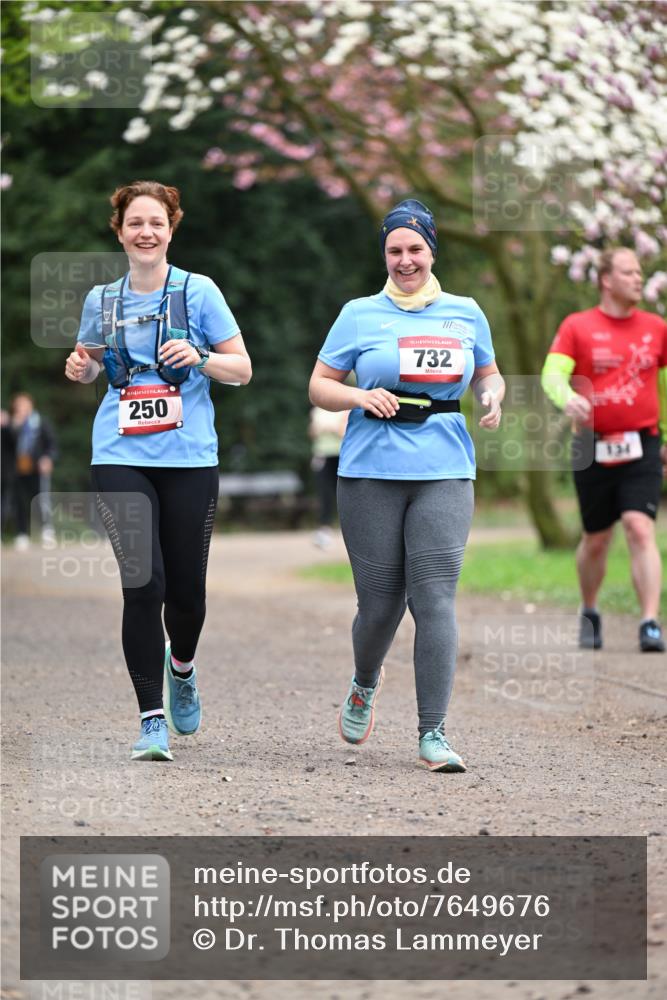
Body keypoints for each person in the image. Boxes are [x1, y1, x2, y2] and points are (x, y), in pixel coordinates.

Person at [309, 199, 503, 772]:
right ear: (385, 256)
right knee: (380, 606)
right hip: (370, 470)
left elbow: (487, 371)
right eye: (394, 250)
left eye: (414, 248)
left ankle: (433, 733)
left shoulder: (466, 312)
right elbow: (320, 385)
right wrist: (357, 396)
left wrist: (491, 396)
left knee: (434, 596)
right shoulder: (359, 314)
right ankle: (365, 682)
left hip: (445, 468)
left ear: (432, 250)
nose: (405, 260)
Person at [65, 180, 252, 760]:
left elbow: (242, 369)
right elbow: (90, 363)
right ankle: (151, 721)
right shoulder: (101, 300)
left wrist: (201, 356)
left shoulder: (199, 293)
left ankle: (183, 666)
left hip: (189, 457)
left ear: (172, 228)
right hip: (119, 454)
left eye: (157, 222)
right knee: (143, 586)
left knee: (187, 595)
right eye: (135, 223)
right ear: (118, 231)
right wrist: (80, 368)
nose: (146, 232)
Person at [541, 247, 667, 653]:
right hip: (591, 446)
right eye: (629, 272)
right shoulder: (578, 326)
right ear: (606, 280)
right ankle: (591, 609)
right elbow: (552, 374)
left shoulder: (656, 327)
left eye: (639, 272)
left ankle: (649, 621)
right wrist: (566, 398)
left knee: (639, 527)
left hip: (643, 443)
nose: (638, 279)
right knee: (597, 538)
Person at [8, 393, 57, 550]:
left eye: (24, 405)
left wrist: (48, 458)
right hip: (19, 469)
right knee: (19, 502)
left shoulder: (41, 423)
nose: (21, 408)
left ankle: (47, 532)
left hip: (38, 468)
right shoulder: (12, 425)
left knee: (42, 500)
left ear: (31, 405)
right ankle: (22, 534)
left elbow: (52, 445)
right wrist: (13, 426)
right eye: (18, 405)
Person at [309, 405, 348, 549]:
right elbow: (313, 432)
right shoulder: (317, 410)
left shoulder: (345, 408)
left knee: (343, 493)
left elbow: (344, 431)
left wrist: (329, 428)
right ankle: (324, 529)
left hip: (340, 455)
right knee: (324, 494)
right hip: (322, 455)